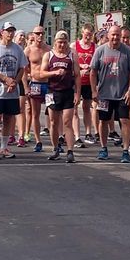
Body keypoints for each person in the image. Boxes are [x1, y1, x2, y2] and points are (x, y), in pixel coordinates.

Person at [89, 26, 130, 162]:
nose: (115, 37)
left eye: (117, 35)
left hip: (122, 94)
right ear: (108, 35)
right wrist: (94, 90)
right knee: (104, 121)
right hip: (104, 94)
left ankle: (126, 150)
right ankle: (103, 148)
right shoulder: (100, 51)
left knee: (125, 121)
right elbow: (93, 72)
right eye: (113, 35)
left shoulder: (127, 51)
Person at [0, 21, 28, 161]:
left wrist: (14, 81)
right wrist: (4, 79)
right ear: (2, 32)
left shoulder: (18, 49)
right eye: (8, 30)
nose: (10, 33)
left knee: (9, 118)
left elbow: (22, 68)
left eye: (12, 30)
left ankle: (4, 147)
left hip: (12, 90)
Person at [41, 30, 80, 162]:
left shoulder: (72, 55)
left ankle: (70, 151)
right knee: (53, 122)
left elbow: (77, 75)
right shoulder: (49, 55)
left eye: (64, 42)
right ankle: (55, 148)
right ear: (55, 43)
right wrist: (54, 73)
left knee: (67, 122)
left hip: (68, 91)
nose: (62, 45)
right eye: (59, 42)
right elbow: (41, 73)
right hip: (53, 92)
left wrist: (77, 93)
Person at [25, 26, 50, 152]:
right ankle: (38, 140)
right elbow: (23, 70)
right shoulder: (28, 50)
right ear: (33, 35)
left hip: (48, 84)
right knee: (35, 114)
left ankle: (56, 139)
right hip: (35, 84)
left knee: (52, 113)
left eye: (42, 33)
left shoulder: (49, 49)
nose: (40, 36)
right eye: (37, 33)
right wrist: (25, 87)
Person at [72, 24, 97, 148]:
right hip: (77, 81)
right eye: (86, 33)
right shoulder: (74, 46)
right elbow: (70, 62)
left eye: (90, 34)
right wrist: (80, 67)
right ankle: (77, 136)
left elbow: (97, 63)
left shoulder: (94, 47)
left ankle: (88, 133)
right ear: (82, 33)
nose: (88, 36)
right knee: (74, 108)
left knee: (87, 107)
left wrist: (90, 68)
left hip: (89, 81)